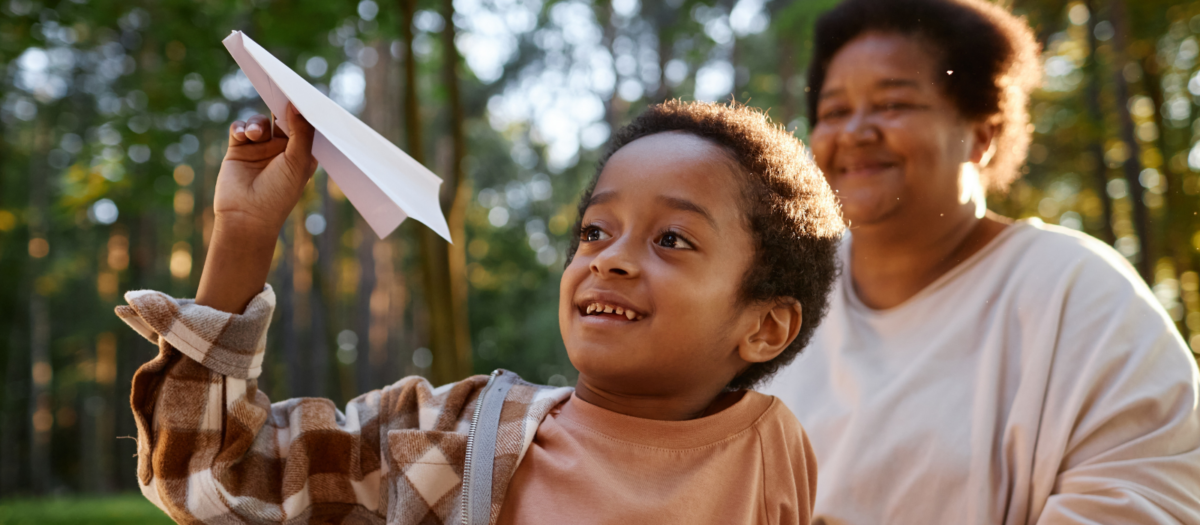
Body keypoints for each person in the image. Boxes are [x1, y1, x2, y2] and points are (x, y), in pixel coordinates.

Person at [115, 100, 844, 524]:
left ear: (765, 325)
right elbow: (214, 477)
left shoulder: (772, 450)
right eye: (595, 229)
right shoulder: (447, 438)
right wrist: (243, 234)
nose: (608, 258)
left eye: (672, 239)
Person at [760, 0, 1200, 523]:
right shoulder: (775, 294)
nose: (855, 131)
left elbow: (1146, 496)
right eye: (834, 112)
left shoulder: (1076, 290)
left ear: (982, 134)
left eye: (893, 104)